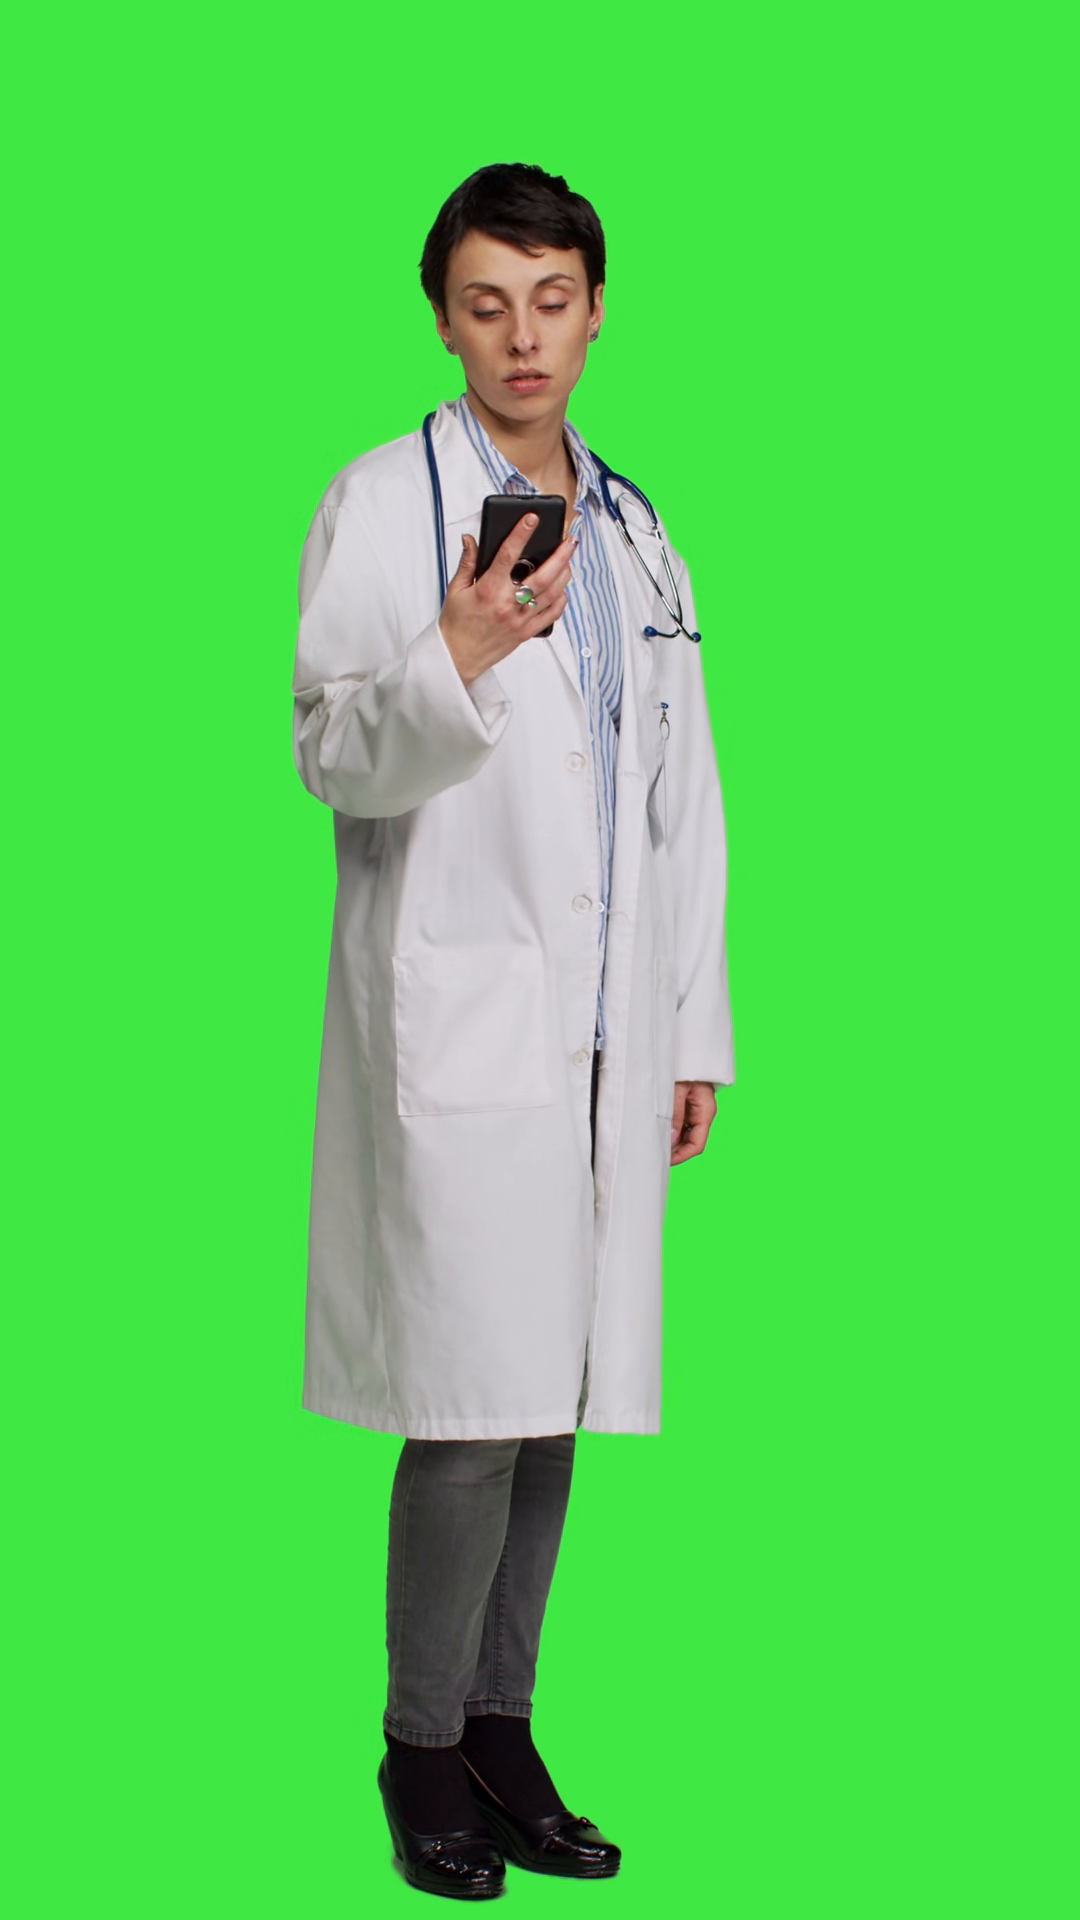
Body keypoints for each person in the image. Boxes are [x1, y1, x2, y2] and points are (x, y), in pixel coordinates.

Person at [292, 162, 735, 1899]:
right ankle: (419, 1747)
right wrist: (461, 650)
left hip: (610, 1031)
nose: (522, 338)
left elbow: (683, 799)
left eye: (552, 302)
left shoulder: (636, 529)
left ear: (597, 309)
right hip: (462, 1021)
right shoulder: (380, 507)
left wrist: (693, 1027)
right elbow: (333, 754)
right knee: (472, 1408)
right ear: (445, 318)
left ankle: (504, 1727)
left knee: (558, 1400)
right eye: (487, 304)